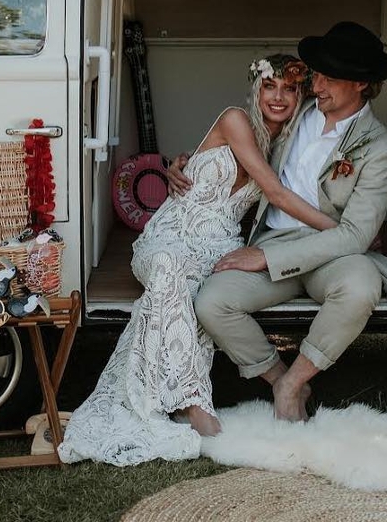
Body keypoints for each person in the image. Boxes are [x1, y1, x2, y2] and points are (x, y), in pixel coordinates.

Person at [56, 53, 338, 466]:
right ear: (255, 89)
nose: (277, 97)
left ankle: (254, 385)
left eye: (289, 89)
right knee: (168, 271)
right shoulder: (235, 118)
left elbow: (262, 184)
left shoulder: (284, 144)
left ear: (300, 96)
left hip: (219, 245)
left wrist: (185, 157)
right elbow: (273, 193)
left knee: (198, 292)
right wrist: (341, 231)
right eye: (269, 86)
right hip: (170, 234)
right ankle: (193, 404)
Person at [189, 21, 387, 422]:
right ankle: (279, 379)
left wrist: (265, 260)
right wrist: (184, 162)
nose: (317, 85)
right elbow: (237, 142)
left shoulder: (380, 149)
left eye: (329, 78)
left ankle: (294, 383)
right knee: (212, 302)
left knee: (360, 288)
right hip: (273, 239)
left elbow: (356, 235)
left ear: (361, 84)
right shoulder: (295, 111)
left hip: (335, 251)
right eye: (316, 75)